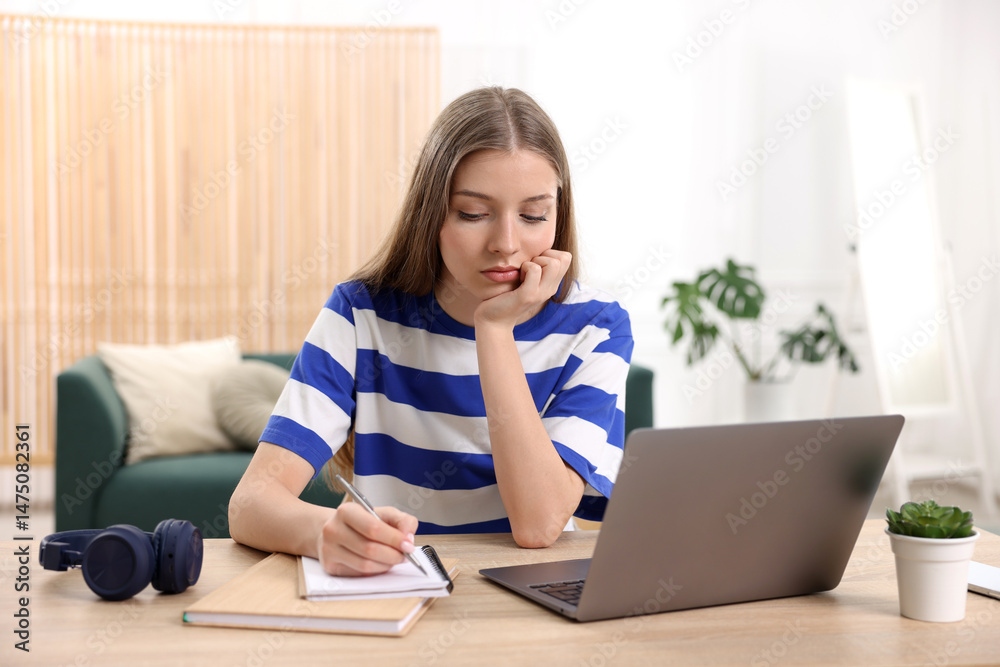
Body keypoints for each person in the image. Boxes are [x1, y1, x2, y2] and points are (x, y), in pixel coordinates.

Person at [229, 86, 633, 576]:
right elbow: (250, 504)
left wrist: (494, 329)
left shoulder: (596, 327)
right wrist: (322, 533)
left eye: (533, 215)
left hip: (526, 601)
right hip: (395, 588)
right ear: (431, 212)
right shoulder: (360, 314)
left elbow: (539, 523)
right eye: (473, 213)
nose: (506, 244)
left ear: (557, 213)